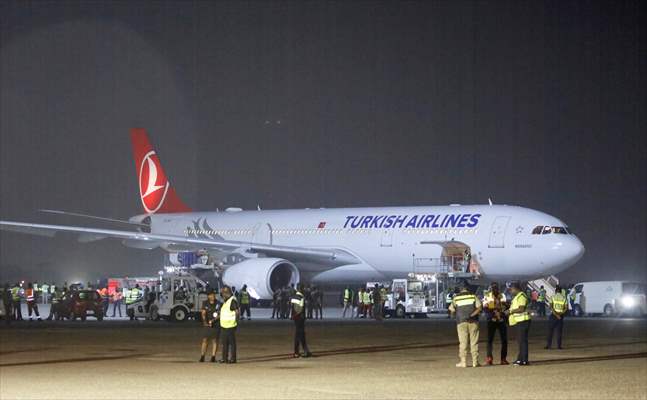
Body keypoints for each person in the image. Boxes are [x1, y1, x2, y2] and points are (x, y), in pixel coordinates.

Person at [448, 284, 482, 368]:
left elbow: (451, 310)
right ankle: (475, 362)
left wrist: (454, 316)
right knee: (474, 342)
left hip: (461, 322)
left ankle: (463, 362)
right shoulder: (473, 296)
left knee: (463, 342)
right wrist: (472, 315)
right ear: (468, 289)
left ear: (460, 289)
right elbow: (479, 308)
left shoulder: (456, 298)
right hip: (473, 322)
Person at [483, 282, 508, 365]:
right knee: (490, 340)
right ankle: (489, 358)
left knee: (504, 340)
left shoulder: (502, 296)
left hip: (501, 320)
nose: (495, 289)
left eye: (496, 287)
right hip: (492, 320)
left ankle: (503, 359)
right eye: (493, 287)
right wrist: (495, 312)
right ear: (491, 288)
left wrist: (500, 313)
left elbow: (505, 306)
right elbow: (485, 308)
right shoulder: (487, 296)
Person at [506, 281, 531, 366]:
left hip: (523, 321)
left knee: (522, 341)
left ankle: (524, 360)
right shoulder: (518, 296)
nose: (510, 291)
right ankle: (520, 359)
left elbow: (521, 309)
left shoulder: (521, 296)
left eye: (511, 290)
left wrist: (511, 311)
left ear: (515, 289)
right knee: (521, 341)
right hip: (520, 321)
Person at [219, 286, 239, 363]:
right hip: (224, 326)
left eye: (223, 293)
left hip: (230, 326)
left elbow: (237, 313)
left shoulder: (232, 301)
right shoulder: (226, 301)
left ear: (227, 293)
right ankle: (224, 358)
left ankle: (233, 359)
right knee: (224, 343)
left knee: (232, 344)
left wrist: (236, 322)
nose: (222, 295)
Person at [291, 284, 312, 358]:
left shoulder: (293, 296)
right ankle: (298, 352)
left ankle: (304, 351)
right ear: (301, 289)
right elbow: (301, 309)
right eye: (303, 288)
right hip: (300, 318)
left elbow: (293, 308)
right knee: (300, 335)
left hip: (295, 318)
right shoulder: (301, 297)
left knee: (299, 334)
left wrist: (293, 315)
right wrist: (302, 317)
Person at [199, 290, 221, 363]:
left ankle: (213, 357)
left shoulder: (218, 303)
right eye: (211, 295)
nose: (213, 296)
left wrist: (213, 321)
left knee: (215, 340)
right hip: (207, 325)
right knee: (205, 340)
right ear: (208, 296)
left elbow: (219, 314)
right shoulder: (205, 303)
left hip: (216, 324)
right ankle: (202, 356)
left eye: (214, 295)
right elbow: (203, 313)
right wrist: (205, 322)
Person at [545, 285, 568, 349]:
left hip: (553, 316)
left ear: (556, 291)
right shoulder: (564, 298)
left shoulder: (553, 297)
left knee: (550, 331)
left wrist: (556, 314)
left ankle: (548, 345)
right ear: (560, 291)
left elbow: (551, 307)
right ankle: (559, 346)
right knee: (559, 332)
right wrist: (560, 314)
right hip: (560, 316)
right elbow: (566, 308)